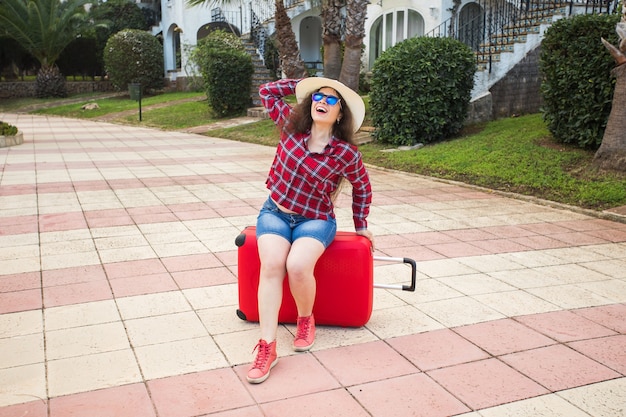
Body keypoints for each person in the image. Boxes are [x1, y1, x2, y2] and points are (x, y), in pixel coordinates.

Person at [246, 77, 374, 384]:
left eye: (332, 100)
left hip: (316, 219)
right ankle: (267, 347)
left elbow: (363, 187)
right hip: (275, 213)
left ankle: (306, 320)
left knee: (298, 265)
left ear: (340, 114)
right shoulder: (291, 127)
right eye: (319, 96)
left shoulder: (345, 154)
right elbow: (266, 90)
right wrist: (303, 83)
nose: (323, 102)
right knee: (273, 265)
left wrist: (361, 225)